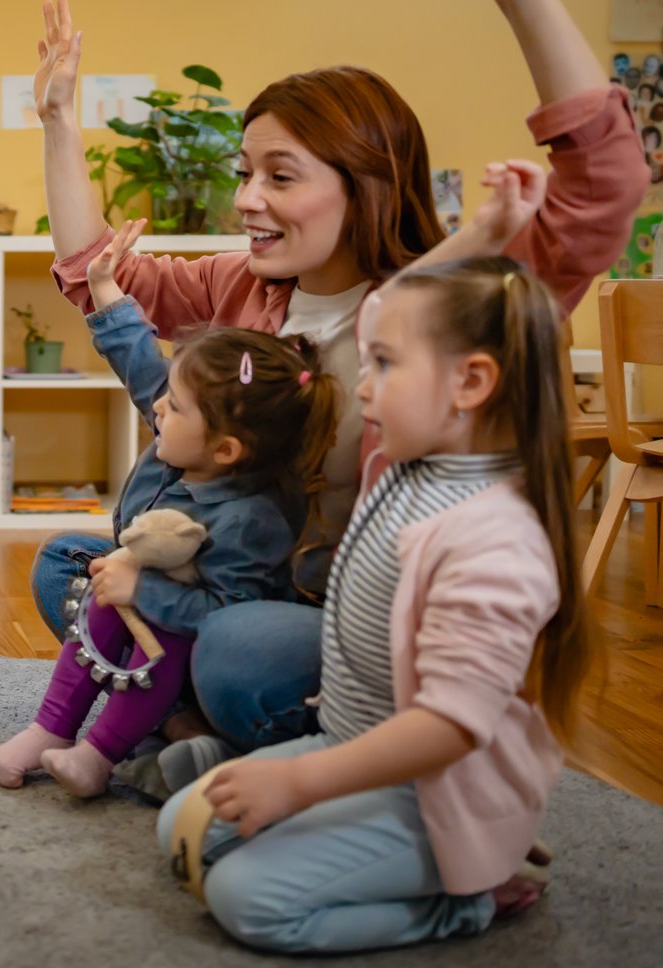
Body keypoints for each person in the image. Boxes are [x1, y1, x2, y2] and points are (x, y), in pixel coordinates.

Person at [30, 0, 647, 778]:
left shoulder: (445, 298)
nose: (248, 200)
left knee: (240, 648)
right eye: (247, 173)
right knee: (71, 566)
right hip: (241, 580)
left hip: (343, 624)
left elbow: (603, 193)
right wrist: (57, 123)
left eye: (281, 176)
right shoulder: (244, 285)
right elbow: (100, 273)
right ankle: (197, 725)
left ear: (366, 183)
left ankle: (241, 729)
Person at [156, 257, 586, 952]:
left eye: (383, 363)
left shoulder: (496, 542)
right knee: (181, 828)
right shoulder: (414, 463)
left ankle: (468, 900)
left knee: (245, 899)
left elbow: (449, 726)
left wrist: (299, 782)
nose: (361, 386)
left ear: (471, 383)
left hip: (438, 795)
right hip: (351, 745)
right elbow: (424, 301)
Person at [0, 219, 340, 795]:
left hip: (195, 647)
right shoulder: (190, 436)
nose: (158, 411)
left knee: (137, 608)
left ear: (225, 450)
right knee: (63, 561)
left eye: (172, 409)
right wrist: (105, 291)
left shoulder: (251, 519)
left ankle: (139, 736)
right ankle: (64, 728)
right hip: (145, 594)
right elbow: (139, 362)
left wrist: (141, 591)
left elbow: (224, 617)